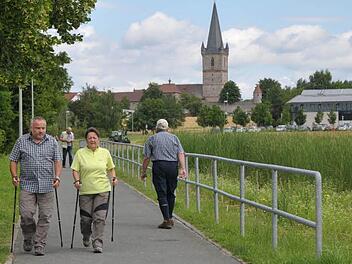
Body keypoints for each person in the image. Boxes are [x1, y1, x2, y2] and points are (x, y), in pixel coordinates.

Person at [9, 116, 62, 256]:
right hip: (27, 184)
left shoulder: (52, 142)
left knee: (45, 216)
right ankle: (28, 237)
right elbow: (13, 160)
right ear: (31, 128)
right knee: (26, 215)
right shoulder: (21, 141)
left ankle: (39, 244)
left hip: (47, 185)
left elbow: (57, 161)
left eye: (43, 128)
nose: (40, 131)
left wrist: (57, 176)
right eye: (37, 128)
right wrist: (14, 176)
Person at [71, 127, 118, 253]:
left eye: (94, 137)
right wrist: (76, 181)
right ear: (86, 140)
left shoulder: (105, 152)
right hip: (85, 190)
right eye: (90, 138)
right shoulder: (80, 153)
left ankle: (97, 242)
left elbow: (111, 168)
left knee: (100, 217)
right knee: (86, 219)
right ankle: (86, 235)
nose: (92, 140)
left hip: (102, 189)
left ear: (98, 139)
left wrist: (113, 178)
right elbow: (75, 169)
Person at [141, 119, 186, 229]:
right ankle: (169, 217)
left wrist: (143, 171)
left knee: (162, 192)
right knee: (171, 192)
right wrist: (182, 168)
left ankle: (167, 219)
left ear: (156, 128)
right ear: (167, 128)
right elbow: (180, 153)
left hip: (159, 166)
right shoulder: (174, 138)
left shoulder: (151, 139)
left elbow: (147, 157)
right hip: (172, 166)